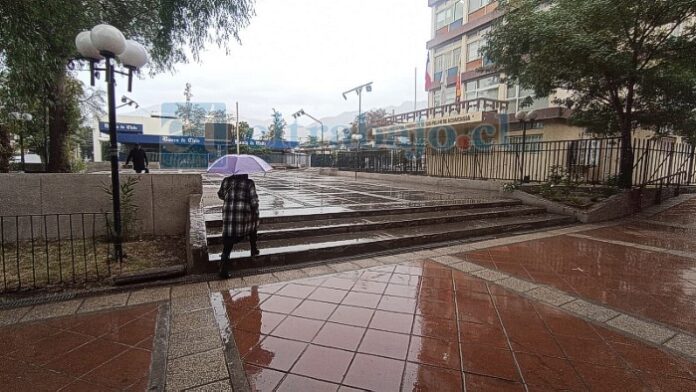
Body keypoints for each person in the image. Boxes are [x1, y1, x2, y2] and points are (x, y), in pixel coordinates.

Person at [217, 173, 260, 278]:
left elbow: (220, 194)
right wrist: (256, 212)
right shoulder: (249, 183)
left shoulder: (226, 180)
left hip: (228, 214)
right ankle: (253, 249)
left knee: (228, 243)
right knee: (253, 223)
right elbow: (254, 201)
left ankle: (223, 268)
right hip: (242, 215)